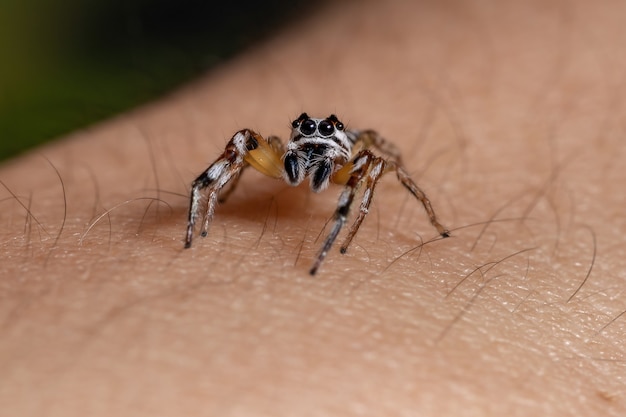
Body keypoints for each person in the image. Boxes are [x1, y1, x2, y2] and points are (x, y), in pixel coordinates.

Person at [0, 1, 623, 415]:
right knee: (241, 144)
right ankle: (213, 217)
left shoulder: (355, 155)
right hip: (270, 172)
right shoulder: (282, 150)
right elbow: (239, 150)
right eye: (303, 144)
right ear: (295, 141)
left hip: (363, 157)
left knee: (385, 160)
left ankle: (343, 237)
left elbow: (380, 164)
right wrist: (209, 203)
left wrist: (355, 236)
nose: (308, 157)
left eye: (317, 147)